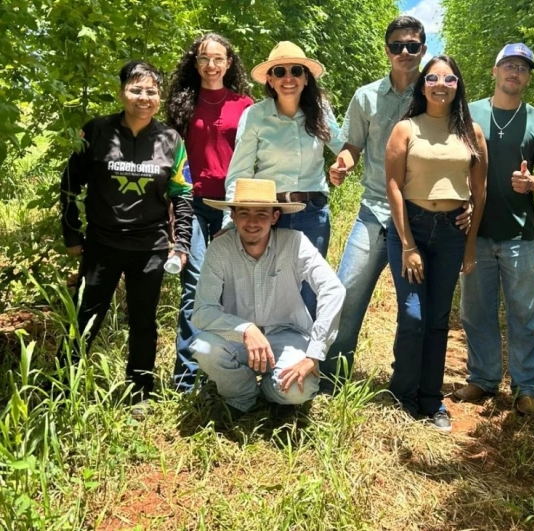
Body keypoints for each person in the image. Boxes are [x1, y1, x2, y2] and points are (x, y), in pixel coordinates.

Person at [321, 16, 471, 393]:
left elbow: (459, 150)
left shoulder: (437, 93)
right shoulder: (366, 97)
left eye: (413, 45)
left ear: (423, 49)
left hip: (424, 219)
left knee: (414, 312)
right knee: (347, 291)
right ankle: (331, 379)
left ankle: (409, 386)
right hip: (375, 210)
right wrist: (342, 164)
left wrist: (464, 197)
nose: (405, 52)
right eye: (397, 46)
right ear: (386, 50)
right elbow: (352, 146)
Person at [60, 60, 193, 418]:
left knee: (144, 322)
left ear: (159, 97)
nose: (143, 98)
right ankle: (62, 387)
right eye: (136, 89)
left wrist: (181, 245)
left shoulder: (171, 139)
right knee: (84, 317)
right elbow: (71, 180)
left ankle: (140, 393)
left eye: (151, 91)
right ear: (122, 92)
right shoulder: (97, 131)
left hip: (150, 248)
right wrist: (71, 231)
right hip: (101, 245)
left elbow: (182, 195)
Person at [453, 43, 534, 416]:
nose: (515, 72)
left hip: (519, 232)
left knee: (524, 312)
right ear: (495, 71)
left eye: (523, 68)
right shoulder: (468, 113)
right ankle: (482, 377)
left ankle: (528, 387)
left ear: (528, 78)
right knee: (476, 311)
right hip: (475, 230)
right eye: (509, 65)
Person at [385, 55, 487, 431]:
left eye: (448, 79)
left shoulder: (471, 133)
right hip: (410, 228)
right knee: (413, 317)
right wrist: (408, 244)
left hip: (450, 234)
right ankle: (401, 394)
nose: (440, 84)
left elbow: (480, 189)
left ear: (458, 85)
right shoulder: (406, 129)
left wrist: (470, 242)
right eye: (432, 78)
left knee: (438, 319)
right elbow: (393, 186)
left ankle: (430, 400)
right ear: (422, 85)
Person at [188, 179, 345, 414]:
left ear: (275, 217)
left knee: (298, 390)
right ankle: (243, 395)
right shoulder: (219, 249)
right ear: (233, 216)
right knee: (204, 348)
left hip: (286, 333)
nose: (252, 222)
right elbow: (201, 311)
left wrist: (315, 353)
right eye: (244, 213)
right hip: (237, 339)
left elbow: (333, 289)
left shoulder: (295, 242)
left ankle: (271, 392)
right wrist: (246, 329)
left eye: (261, 213)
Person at [222, 41, 344, 317]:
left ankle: (303, 358)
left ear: (305, 77)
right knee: (263, 291)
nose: (288, 78)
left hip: (312, 213)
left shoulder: (320, 110)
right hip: (269, 212)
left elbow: (343, 146)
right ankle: (265, 358)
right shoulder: (255, 115)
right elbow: (239, 171)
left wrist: (343, 164)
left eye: (296, 70)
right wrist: (231, 219)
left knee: (308, 291)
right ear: (270, 79)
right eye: (279, 71)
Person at [165, 33, 254, 393]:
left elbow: (252, 158)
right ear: (195, 62)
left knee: (231, 290)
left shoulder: (245, 105)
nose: (211, 65)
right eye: (204, 58)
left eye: (218, 59)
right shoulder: (183, 104)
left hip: (234, 206)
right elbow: (171, 160)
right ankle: (186, 379)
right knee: (196, 286)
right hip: (193, 204)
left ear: (229, 63)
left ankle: (224, 372)